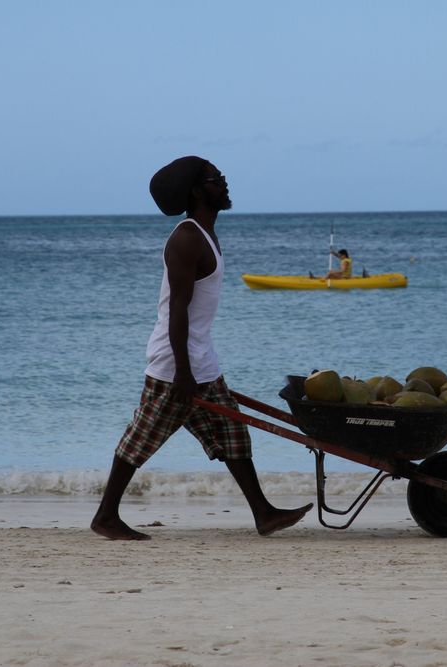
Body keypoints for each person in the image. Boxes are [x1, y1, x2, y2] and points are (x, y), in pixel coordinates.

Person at [91, 156, 313, 540]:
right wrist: (182, 371)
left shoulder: (206, 233)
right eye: (216, 179)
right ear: (197, 190)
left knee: (232, 435)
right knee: (141, 438)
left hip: (200, 359)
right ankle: (106, 516)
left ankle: (263, 513)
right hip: (175, 362)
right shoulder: (187, 237)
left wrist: (196, 364)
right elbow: (177, 308)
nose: (224, 184)